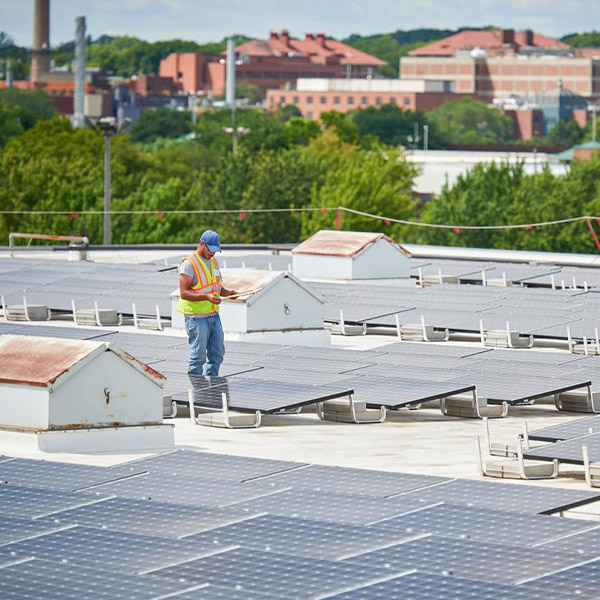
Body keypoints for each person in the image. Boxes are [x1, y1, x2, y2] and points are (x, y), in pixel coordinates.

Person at [177, 230, 236, 376]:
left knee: (217, 353)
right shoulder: (189, 264)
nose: (213, 253)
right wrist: (207, 297)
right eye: (210, 249)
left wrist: (228, 293)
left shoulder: (214, 261)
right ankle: (196, 386)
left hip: (213, 315)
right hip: (196, 317)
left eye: (215, 250)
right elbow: (184, 293)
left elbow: (216, 287)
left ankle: (211, 383)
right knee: (198, 357)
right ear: (201, 244)